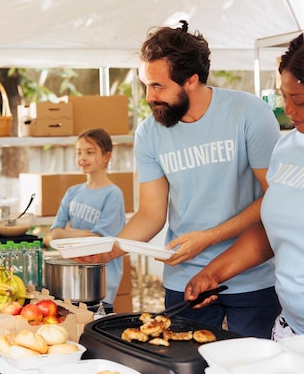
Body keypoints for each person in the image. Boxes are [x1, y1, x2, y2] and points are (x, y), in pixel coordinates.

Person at [75, 21, 281, 339]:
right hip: (184, 281)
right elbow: (151, 214)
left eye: (157, 86)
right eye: (146, 84)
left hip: (251, 277)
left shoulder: (249, 114)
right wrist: (110, 250)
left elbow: (275, 198)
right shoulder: (149, 132)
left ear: (191, 80)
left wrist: (209, 237)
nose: (148, 97)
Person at [185, 33, 304, 340]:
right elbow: (274, 231)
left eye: (300, 101)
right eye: (284, 96)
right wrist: (213, 273)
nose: (289, 111)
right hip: (291, 330)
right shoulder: (287, 148)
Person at [49, 128, 125, 304]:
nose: (82, 158)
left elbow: (97, 240)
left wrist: (68, 231)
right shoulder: (72, 192)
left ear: (107, 157)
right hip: (73, 274)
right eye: (79, 152)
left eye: (89, 152)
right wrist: (84, 234)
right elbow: (55, 233)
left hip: (102, 278)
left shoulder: (113, 194)